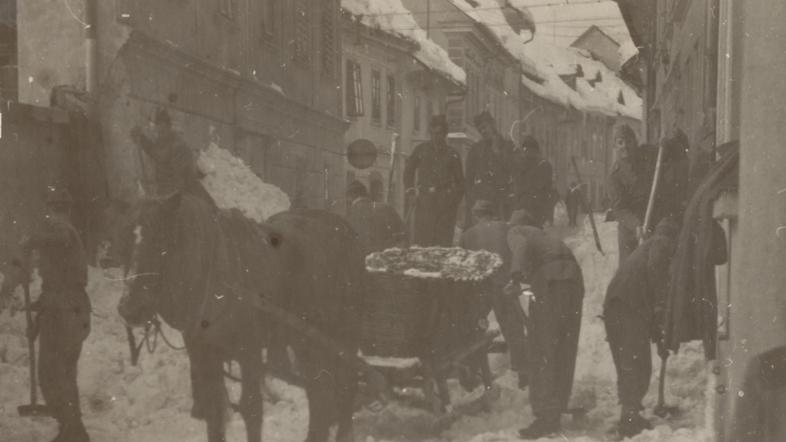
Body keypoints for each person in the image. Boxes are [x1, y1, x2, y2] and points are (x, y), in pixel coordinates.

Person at [0, 187, 91, 442]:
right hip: (66, 309)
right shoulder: (59, 236)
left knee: (52, 374)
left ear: (59, 209)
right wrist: (39, 310)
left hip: (66, 312)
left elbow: (58, 238)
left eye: (54, 209)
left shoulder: (63, 230)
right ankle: (72, 430)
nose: (52, 215)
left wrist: (32, 240)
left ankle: (73, 431)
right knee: (61, 374)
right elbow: (58, 282)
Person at [506, 210, 584, 439]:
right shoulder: (547, 238)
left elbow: (519, 249)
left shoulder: (517, 231)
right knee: (564, 349)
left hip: (551, 284)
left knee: (541, 348)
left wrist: (514, 278)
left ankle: (545, 417)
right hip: (573, 283)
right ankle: (557, 405)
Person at [603, 217, 679, 438]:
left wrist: (658, 338)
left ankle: (631, 411)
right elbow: (656, 272)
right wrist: (661, 306)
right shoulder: (661, 243)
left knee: (631, 362)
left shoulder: (644, 248)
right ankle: (629, 418)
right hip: (629, 306)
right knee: (635, 363)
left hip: (618, 306)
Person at [459, 200, 529, 389]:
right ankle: (521, 372)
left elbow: (463, 267)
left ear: (476, 215)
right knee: (513, 329)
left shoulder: (467, 235)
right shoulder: (507, 228)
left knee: (473, 328)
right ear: (493, 214)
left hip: (480, 287)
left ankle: (471, 372)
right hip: (502, 284)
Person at [403, 115, 464, 246]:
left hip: (445, 207)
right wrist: (411, 192)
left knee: (442, 243)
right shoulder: (421, 150)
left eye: (439, 133)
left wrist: (452, 202)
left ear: (445, 134)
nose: (436, 137)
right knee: (423, 242)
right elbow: (408, 172)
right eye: (433, 133)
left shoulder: (452, 154)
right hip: (425, 204)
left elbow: (461, 184)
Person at [131, 108, 212, 202]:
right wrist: (141, 138)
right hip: (165, 192)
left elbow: (184, 176)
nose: (159, 134)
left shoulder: (178, 145)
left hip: (177, 194)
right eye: (158, 131)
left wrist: (172, 194)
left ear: (168, 126)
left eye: (162, 130)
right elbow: (155, 152)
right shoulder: (162, 141)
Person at [607, 124, 653, 265]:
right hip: (630, 229)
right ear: (615, 146)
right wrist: (636, 225)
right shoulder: (614, 176)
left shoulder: (645, 156)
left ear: (635, 142)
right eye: (620, 142)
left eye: (628, 141)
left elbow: (658, 150)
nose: (625, 146)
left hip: (652, 219)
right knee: (629, 272)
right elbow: (620, 209)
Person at [464, 111, 514, 227]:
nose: (483, 131)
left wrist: (497, 152)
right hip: (483, 202)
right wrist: (472, 201)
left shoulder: (508, 146)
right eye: (480, 129)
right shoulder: (476, 149)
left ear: (493, 124)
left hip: (503, 202)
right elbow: (468, 180)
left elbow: (514, 171)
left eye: (485, 127)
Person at [345, 180, 406, 253]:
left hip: (360, 261)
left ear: (349, 197)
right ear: (366, 193)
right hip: (385, 259)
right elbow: (402, 235)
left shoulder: (348, 216)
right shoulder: (385, 208)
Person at [511, 135, 554, 227]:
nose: (526, 153)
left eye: (529, 150)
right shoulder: (522, 166)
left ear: (535, 151)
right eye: (525, 150)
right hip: (523, 210)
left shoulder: (543, 165)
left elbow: (541, 188)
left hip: (534, 211)